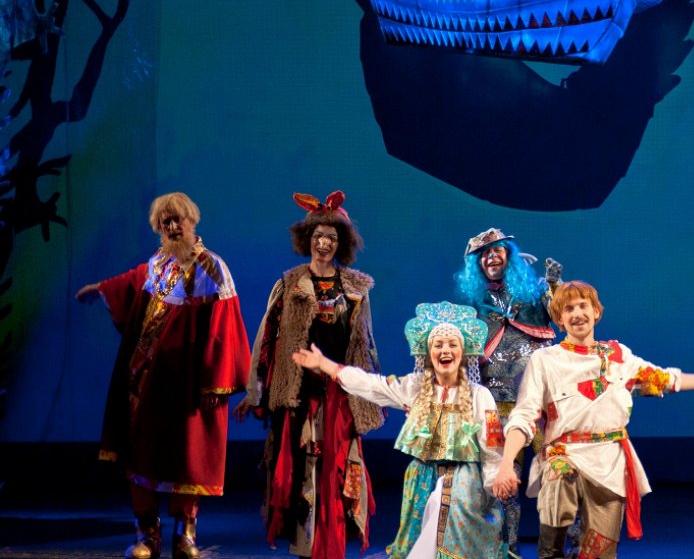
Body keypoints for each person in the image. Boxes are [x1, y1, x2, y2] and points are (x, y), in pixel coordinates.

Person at [492, 280, 694, 559]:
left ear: (595, 312)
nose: (577, 313)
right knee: (558, 485)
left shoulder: (618, 356)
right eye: (569, 309)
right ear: (559, 320)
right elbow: (524, 414)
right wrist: (506, 464)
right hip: (564, 453)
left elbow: (661, 378)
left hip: (609, 460)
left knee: (601, 551)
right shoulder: (545, 360)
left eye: (583, 306)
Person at [76, 192, 251, 559]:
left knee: (187, 457)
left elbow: (225, 330)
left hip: (187, 384)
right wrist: (100, 289)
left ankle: (186, 534)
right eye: (165, 222)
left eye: (178, 220)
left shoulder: (212, 269)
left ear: (192, 222)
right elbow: (132, 281)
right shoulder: (158, 263)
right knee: (141, 453)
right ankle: (147, 534)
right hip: (145, 381)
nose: (172, 227)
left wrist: (215, 382)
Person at [232, 190, 385, 558]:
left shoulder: (356, 290)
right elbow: (266, 339)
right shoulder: (289, 284)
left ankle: (332, 548)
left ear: (341, 243)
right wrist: (254, 391)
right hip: (298, 396)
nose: (323, 243)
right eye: (318, 236)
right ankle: (305, 547)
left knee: (337, 473)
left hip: (340, 396)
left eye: (331, 237)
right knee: (301, 472)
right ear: (307, 239)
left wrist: (379, 392)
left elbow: (367, 345)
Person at [292, 301, 508, 559]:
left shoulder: (479, 395)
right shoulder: (415, 387)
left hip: (464, 482)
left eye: (452, 345)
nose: (445, 350)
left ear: (463, 353)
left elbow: (492, 443)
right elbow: (374, 386)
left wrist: (494, 479)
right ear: (428, 353)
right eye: (438, 345)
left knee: (455, 539)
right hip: (422, 479)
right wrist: (327, 365)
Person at [454, 227, 561, 556]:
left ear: (509, 256)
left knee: (558, 474)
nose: (491, 257)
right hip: (497, 403)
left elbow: (560, 315)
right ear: (477, 264)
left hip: (540, 402)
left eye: (497, 250)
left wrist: (554, 285)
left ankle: (563, 548)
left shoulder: (534, 292)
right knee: (503, 481)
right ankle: (506, 548)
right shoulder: (474, 305)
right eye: (484, 254)